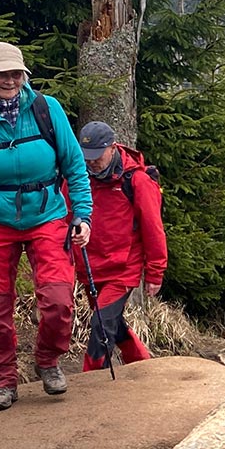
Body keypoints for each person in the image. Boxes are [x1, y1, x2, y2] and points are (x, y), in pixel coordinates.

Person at [0, 42, 92, 411]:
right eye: (1, 73)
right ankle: (3, 380)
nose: (9, 80)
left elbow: (74, 164)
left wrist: (82, 215)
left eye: (15, 73)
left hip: (47, 214)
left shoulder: (45, 109)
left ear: (24, 74)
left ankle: (48, 359)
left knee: (58, 299)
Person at [74, 120, 167, 370]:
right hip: (91, 268)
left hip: (123, 269)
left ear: (112, 148)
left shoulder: (137, 180)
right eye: (86, 156)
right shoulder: (79, 178)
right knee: (110, 322)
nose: (91, 162)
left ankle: (92, 382)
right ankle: (143, 365)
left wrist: (155, 272)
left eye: (96, 156)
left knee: (100, 325)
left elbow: (153, 228)